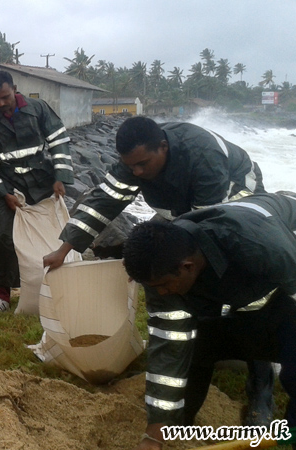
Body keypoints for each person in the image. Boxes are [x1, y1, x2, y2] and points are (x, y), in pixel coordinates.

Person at [43, 115, 274, 426]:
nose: (137, 173)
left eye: (143, 165)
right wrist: (65, 249)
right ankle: (189, 351)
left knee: (244, 290)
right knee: (165, 276)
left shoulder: (203, 156)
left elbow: (208, 225)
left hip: (233, 202)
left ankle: (261, 387)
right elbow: (105, 201)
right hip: (184, 212)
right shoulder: (135, 160)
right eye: (131, 167)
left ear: (163, 147)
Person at [121, 193, 296, 449]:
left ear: (188, 266)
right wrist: (155, 430)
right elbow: (170, 347)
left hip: (286, 282)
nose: (161, 294)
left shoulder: (261, 246)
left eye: (164, 286)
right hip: (243, 296)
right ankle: (179, 429)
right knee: (193, 350)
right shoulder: (161, 267)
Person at [0, 70, 74, 312]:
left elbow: (59, 141)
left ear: (14, 89)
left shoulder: (39, 109)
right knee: (1, 237)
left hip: (42, 181)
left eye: (5, 96)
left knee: (57, 233)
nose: (1, 103)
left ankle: (60, 283)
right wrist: (3, 194)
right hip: (8, 184)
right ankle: (1, 295)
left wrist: (61, 177)